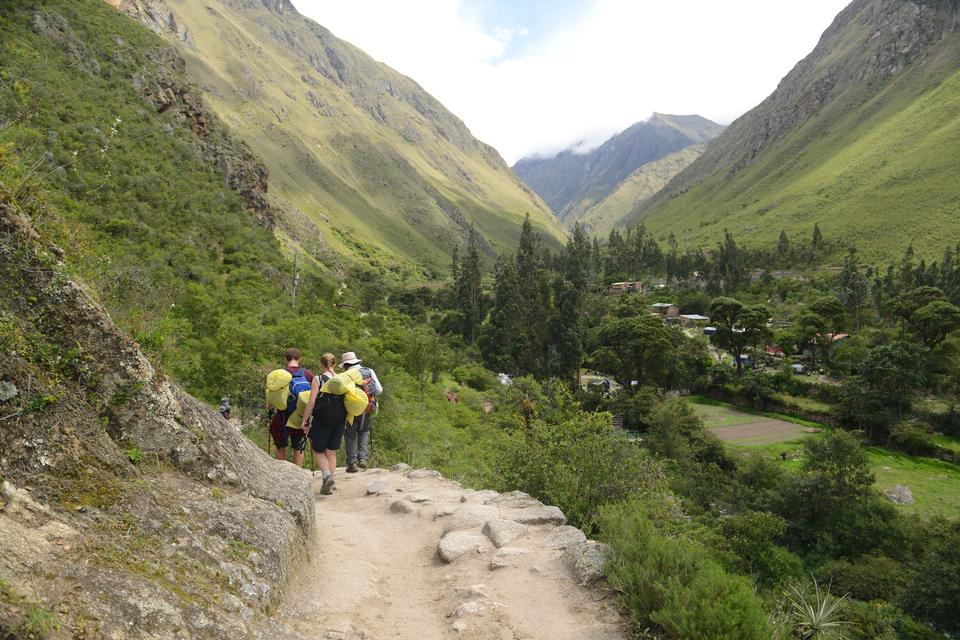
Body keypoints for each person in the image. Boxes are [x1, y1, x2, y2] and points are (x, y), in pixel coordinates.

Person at [301, 353, 344, 495]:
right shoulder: (341, 380)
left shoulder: (318, 379)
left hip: (322, 419)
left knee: (318, 450)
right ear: (334, 363)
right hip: (340, 419)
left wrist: (304, 420)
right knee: (331, 451)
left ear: (321, 364)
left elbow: (312, 401)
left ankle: (327, 476)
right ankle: (330, 484)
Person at [268, 348, 313, 467]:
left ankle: (284, 474)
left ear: (285, 359)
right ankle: (298, 475)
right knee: (298, 447)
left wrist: (270, 406)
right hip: (300, 415)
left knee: (280, 445)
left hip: (282, 415)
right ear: (299, 359)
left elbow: (271, 399)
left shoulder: (280, 374)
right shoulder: (307, 374)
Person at [340, 351, 382, 473]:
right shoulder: (369, 371)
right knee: (364, 432)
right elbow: (379, 389)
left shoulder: (346, 375)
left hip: (351, 410)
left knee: (349, 435)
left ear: (346, 365)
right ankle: (363, 459)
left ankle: (352, 463)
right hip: (367, 407)